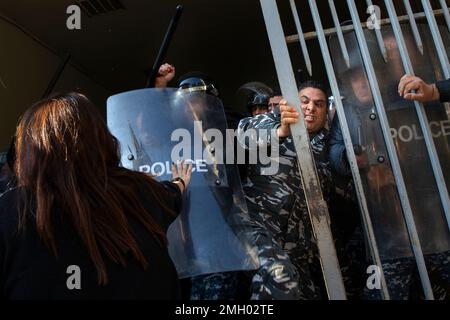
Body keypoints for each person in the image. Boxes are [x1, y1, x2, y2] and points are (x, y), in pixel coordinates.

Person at [0, 92, 192, 299]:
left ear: (29, 153)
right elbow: (170, 196)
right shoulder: (139, 190)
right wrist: (179, 182)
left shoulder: (11, 211)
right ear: (100, 139)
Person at [237, 80, 332, 299]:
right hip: (257, 231)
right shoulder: (266, 121)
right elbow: (241, 138)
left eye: (319, 104)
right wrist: (280, 131)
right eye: (305, 101)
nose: (311, 108)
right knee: (280, 279)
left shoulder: (327, 143)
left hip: (298, 247)